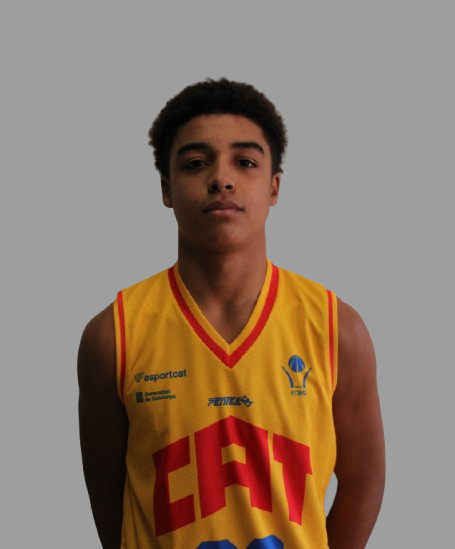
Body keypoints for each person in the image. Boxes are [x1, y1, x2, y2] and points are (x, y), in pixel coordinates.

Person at [78, 78, 385, 549]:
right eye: (196, 163)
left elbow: (363, 483)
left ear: (274, 186)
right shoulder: (112, 336)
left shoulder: (336, 328)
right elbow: (107, 493)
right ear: (166, 188)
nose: (221, 178)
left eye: (245, 162)